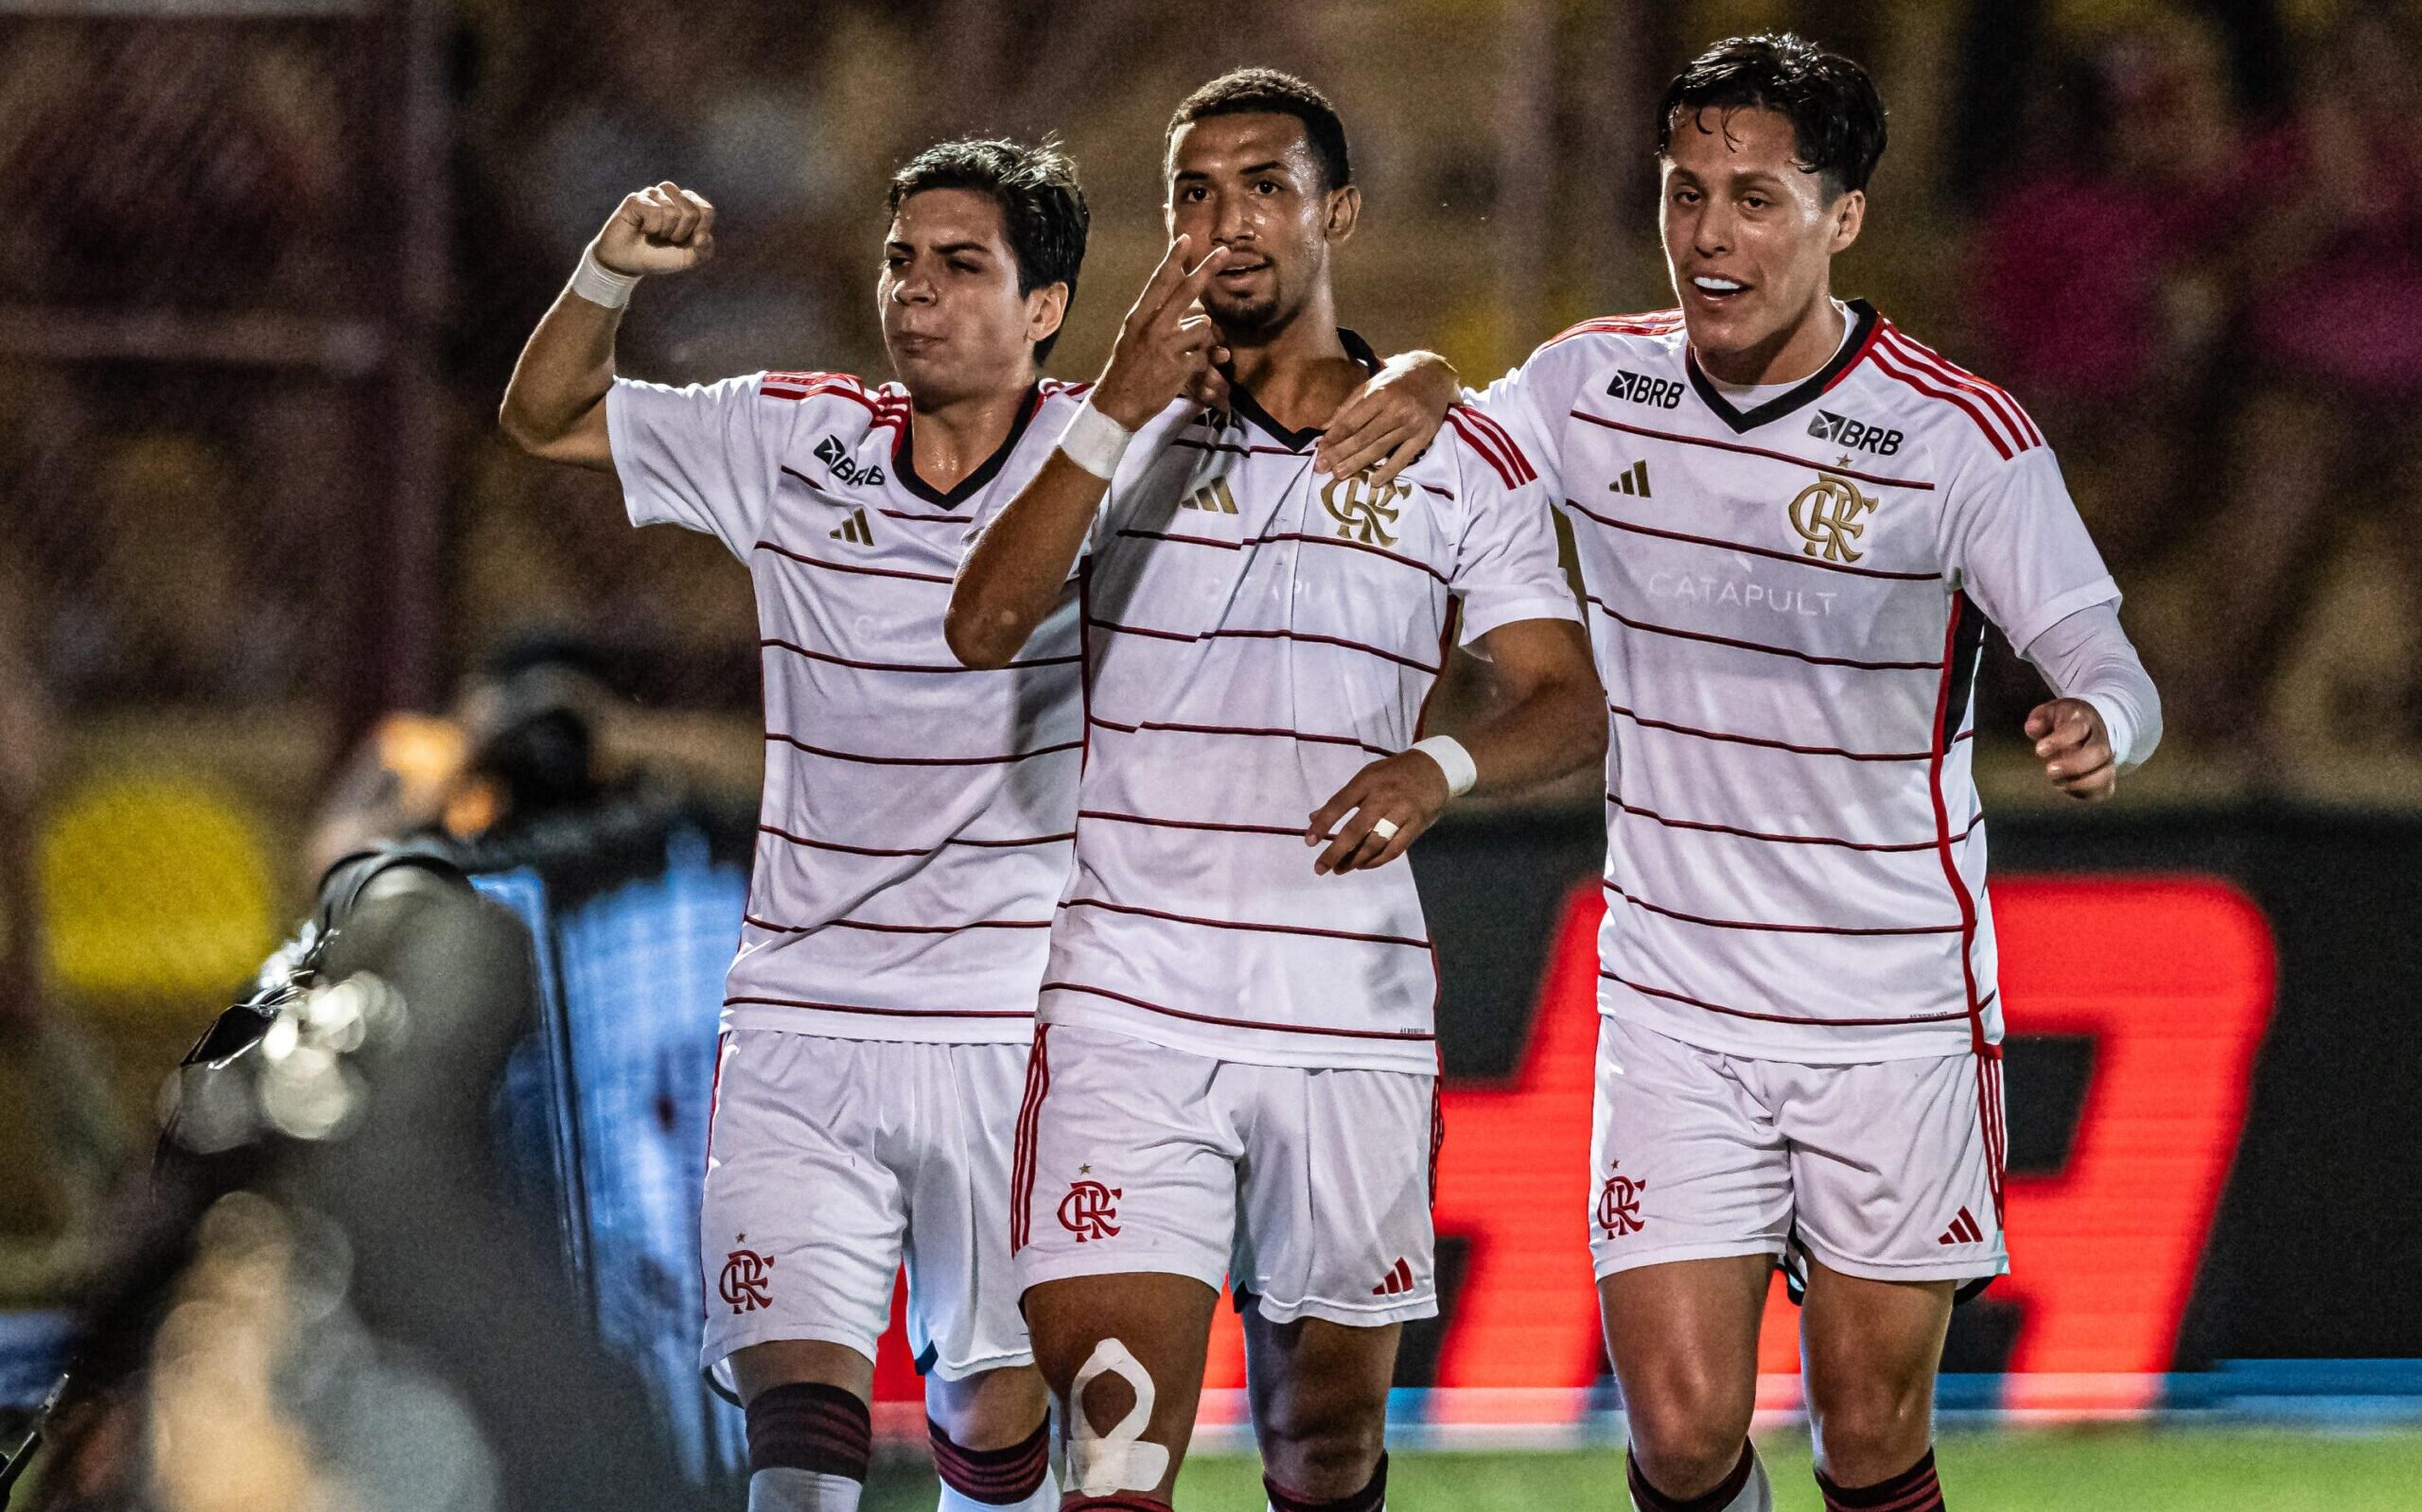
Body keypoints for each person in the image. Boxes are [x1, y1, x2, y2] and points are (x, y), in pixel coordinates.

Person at [497, 136, 1458, 1512]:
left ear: (1047, 306)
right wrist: (603, 272)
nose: (917, 293)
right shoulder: (792, 435)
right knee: (801, 1448)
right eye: (901, 262)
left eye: (961, 266)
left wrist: (1420, 373)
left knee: (994, 1437)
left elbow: (1326, 400)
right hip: (798, 1020)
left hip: (1015, 1030)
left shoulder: (1135, 460)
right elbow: (544, 418)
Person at [1465, 33, 2162, 1512]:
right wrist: (1396, 384)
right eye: (1687, 192)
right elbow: (1445, 459)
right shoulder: (1588, 385)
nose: (1712, 235)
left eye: (1758, 198)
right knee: (1679, 1426)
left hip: (1890, 1004)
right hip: (1675, 996)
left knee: (1865, 1425)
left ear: (1843, 216)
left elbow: (2108, 656)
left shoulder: (1956, 435)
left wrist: (2102, 717)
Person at [947, 69, 1604, 1512]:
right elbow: (985, 624)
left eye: (1264, 186)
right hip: (1131, 996)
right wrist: (1117, 400)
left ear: (1340, 212)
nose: (1224, 221)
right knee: (1114, 1450)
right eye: (1193, 192)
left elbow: (1569, 702)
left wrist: (1439, 763)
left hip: (1345, 1009)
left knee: (1326, 1441)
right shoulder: (1098, 432)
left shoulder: (1451, 450)